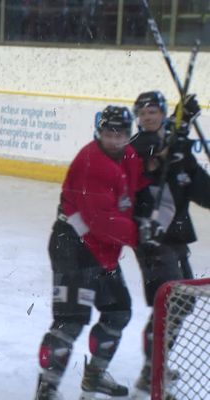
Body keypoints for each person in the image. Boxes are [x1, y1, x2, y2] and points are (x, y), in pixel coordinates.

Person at [35, 106, 149, 399]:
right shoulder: (93, 163)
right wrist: (143, 234)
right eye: (109, 133)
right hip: (73, 247)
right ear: (99, 132)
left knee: (118, 311)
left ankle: (95, 376)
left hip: (100, 252)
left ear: (128, 134)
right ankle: (47, 388)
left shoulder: (128, 156)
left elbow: (140, 184)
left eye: (121, 133)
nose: (114, 139)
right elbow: (102, 223)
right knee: (71, 320)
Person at [130, 91, 210, 395]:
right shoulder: (136, 148)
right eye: (143, 112)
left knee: (182, 301)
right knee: (170, 303)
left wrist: (180, 135)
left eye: (154, 111)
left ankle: (154, 367)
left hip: (176, 239)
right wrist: (181, 125)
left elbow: (201, 191)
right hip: (152, 239)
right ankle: (153, 374)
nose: (148, 117)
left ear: (162, 114)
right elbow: (153, 160)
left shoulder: (178, 149)